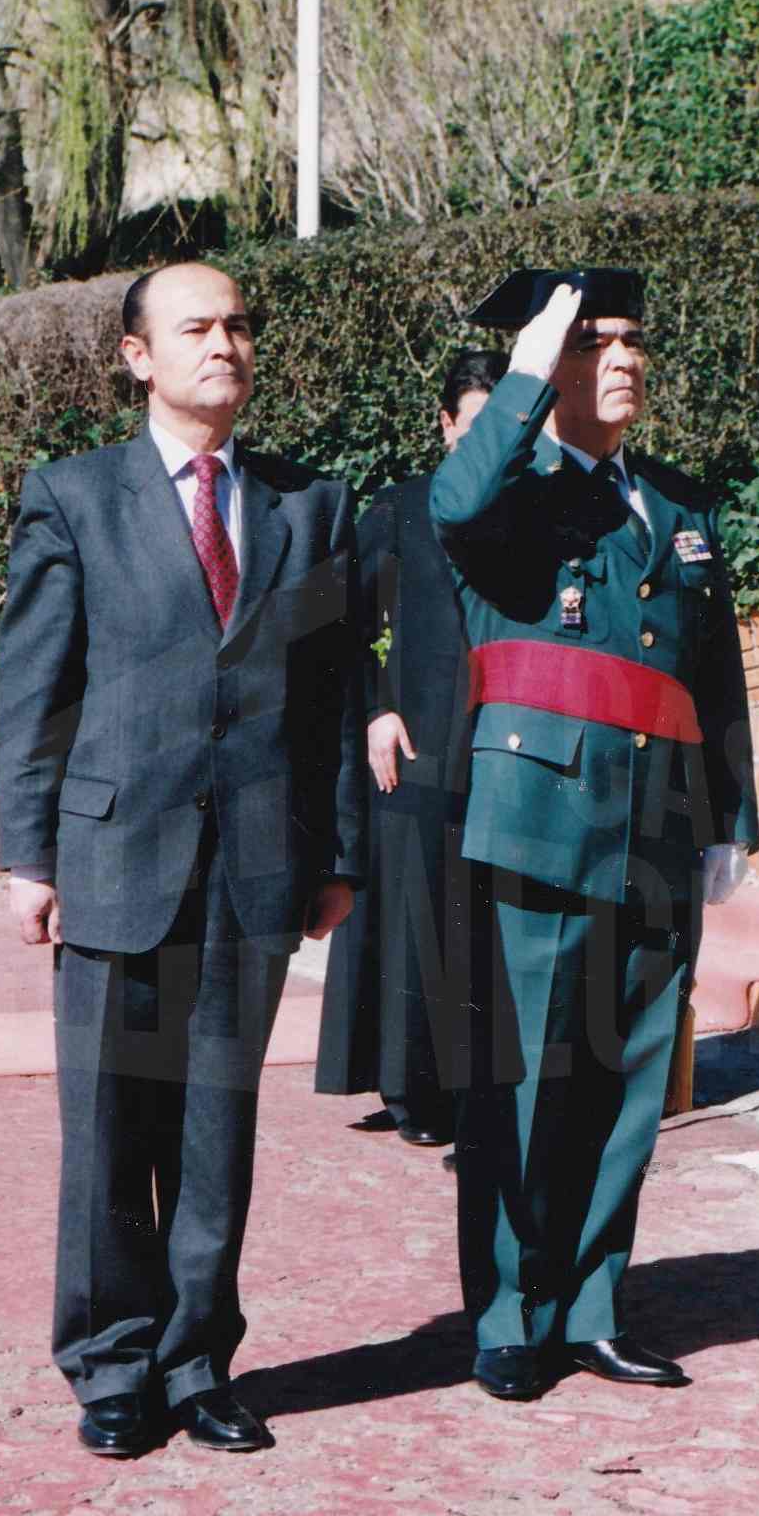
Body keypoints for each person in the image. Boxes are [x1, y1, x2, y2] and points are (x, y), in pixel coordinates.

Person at [0, 262, 363, 1457]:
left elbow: (332, 697)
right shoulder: (72, 497)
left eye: (241, 325)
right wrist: (30, 854)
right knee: (108, 1127)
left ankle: (198, 1358)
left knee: (215, 1129)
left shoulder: (310, 506)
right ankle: (110, 1363)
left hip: (254, 868)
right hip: (114, 858)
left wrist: (339, 853)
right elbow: (35, 694)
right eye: (197, 327)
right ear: (137, 354)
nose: (226, 344)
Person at [429, 266, 759, 1401]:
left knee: (624, 1081)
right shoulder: (508, 496)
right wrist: (526, 365)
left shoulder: (676, 506)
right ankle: (512, 1314)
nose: (619, 359)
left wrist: (731, 818)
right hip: (534, 821)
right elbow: (454, 504)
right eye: (591, 343)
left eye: (630, 342)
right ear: (551, 368)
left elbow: (717, 677)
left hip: (659, 822)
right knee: (526, 1082)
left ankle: (593, 1305)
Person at [315, 349, 507, 1148]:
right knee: (419, 916)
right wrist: (375, 713)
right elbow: (340, 626)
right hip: (418, 741)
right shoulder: (401, 508)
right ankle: (414, 1089)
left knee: (488, 921)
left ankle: (487, 1085)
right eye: (474, 425)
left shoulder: (538, 514)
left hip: (504, 747)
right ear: (445, 426)